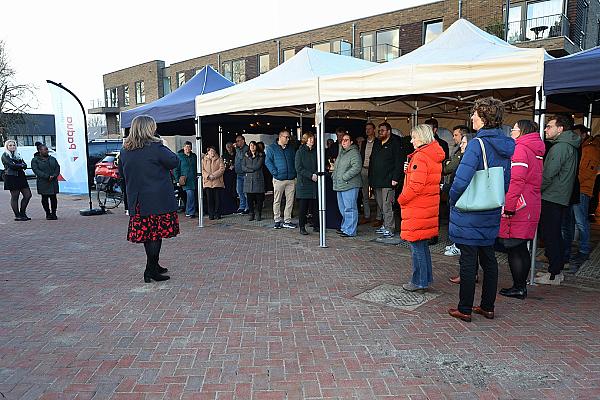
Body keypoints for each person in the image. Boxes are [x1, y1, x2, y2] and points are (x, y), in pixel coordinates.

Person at [448, 97, 515, 322]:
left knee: (468, 261)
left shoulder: (477, 144)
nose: (472, 118)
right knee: (489, 259)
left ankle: (464, 308)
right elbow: (505, 179)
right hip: (491, 206)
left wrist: (452, 199)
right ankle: (487, 307)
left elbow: (461, 180)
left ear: (484, 117)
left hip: (471, 210)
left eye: (475, 114)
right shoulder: (506, 145)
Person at [118, 115, 180, 283]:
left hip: (138, 201)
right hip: (157, 200)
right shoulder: (156, 147)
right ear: (148, 128)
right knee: (155, 236)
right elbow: (174, 161)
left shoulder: (124, 150)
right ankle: (150, 270)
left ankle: (154, 265)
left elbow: (122, 175)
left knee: (148, 236)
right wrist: (164, 144)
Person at [498, 120, 544, 299]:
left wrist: (509, 206)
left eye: (514, 129)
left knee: (514, 247)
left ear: (522, 131)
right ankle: (520, 286)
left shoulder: (520, 149)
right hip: (530, 202)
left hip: (520, 203)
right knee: (521, 247)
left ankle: (518, 287)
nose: (511, 133)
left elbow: (517, 181)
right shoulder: (535, 150)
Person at [398, 124, 445, 291]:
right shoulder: (433, 154)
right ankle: (425, 278)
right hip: (427, 206)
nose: (411, 141)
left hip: (417, 207)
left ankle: (419, 281)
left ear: (422, 138)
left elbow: (416, 186)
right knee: (422, 247)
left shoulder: (421, 157)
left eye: (414, 137)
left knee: (416, 247)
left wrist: (402, 199)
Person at [537, 115, 581, 285]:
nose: (546, 129)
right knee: (554, 234)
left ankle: (554, 273)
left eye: (549, 126)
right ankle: (556, 270)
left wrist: (536, 190)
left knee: (551, 235)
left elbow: (548, 175)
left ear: (560, 128)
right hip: (559, 195)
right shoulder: (567, 145)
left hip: (552, 196)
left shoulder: (560, 147)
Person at [567, 126, 600, 270]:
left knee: (581, 221)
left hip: (582, 189)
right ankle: (580, 248)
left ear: (584, 134)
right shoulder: (584, 147)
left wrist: (571, 182)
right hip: (578, 188)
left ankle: (584, 250)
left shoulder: (590, 150)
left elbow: (585, 172)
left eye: (576, 133)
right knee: (577, 221)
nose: (574, 136)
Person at [368, 122, 403, 238]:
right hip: (377, 180)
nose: (380, 132)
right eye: (379, 131)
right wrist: (371, 179)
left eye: (382, 130)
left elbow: (399, 162)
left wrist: (395, 178)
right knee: (381, 205)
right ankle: (385, 224)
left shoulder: (395, 143)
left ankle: (390, 228)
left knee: (387, 205)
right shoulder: (377, 142)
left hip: (388, 181)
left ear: (389, 131)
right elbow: (372, 160)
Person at [443, 131, 473, 262]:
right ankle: (457, 244)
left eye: (464, 142)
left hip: (462, 198)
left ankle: (459, 245)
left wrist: (449, 190)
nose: (461, 145)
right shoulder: (461, 154)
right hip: (456, 195)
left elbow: (459, 180)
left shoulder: (468, 159)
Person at [265, 129, 297, 229]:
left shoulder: (291, 148)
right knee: (277, 200)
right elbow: (268, 162)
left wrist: (294, 173)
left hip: (291, 178)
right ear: (280, 137)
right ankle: (277, 220)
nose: (288, 139)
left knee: (290, 201)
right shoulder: (271, 148)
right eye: (286, 137)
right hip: (279, 179)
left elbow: (295, 161)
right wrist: (275, 173)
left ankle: (287, 221)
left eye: (288, 137)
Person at [332, 133, 362, 237]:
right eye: (343, 140)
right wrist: (334, 175)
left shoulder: (354, 152)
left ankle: (350, 230)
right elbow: (337, 167)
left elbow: (357, 167)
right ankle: (345, 227)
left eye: (346, 140)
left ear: (351, 142)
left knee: (350, 208)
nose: (343, 142)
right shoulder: (342, 152)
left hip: (350, 184)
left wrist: (344, 177)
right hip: (340, 184)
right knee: (343, 208)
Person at [2, 140, 32, 221]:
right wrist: (20, 165)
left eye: (14, 145)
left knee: (28, 195)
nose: (12, 147)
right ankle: (17, 215)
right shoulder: (5, 155)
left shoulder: (17, 155)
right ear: (7, 147)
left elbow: (25, 165)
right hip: (11, 177)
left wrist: (19, 165)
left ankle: (22, 213)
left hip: (21, 177)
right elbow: (12, 166)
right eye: (10, 145)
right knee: (15, 197)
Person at [295, 132, 319, 235]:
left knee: (314, 206)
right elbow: (298, 168)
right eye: (309, 139)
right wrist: (310, 175)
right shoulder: (300, 152)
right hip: (304, 184)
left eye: (312, 138)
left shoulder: (315, 151)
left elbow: (319, 164)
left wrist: (317, 173)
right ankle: (302, 227)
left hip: (314, 183)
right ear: (305, 140)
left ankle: (316, 225)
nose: (312, 140)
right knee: (303, 208)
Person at [31, 144, 61, 220]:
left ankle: (54, 213)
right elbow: (36, 170)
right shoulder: (35, 160)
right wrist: (46, 176)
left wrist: (54, 175)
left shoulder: (52, 159)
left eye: (47, 149)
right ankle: (48, 213)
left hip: (53, 181)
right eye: (45, 149)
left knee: (53, 198)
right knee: (44, 198)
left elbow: (57, 167)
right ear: (40, 150)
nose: (47, 151)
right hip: (43, 182)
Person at [242, 141, 265, 221]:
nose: (252, 147)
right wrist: (251, 169)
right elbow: (243, 167)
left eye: (254, 145)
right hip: (248, 180)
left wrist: (248, 168)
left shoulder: (260, 155)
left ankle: (258, 213)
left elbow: (257, 166)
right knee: (249, 198)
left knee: (259, 199)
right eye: (251, 145)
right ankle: (251, 213)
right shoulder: (245, 156)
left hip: (258, 179)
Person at [359, 122, 377, 225]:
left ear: (374, 130)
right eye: (366, 129)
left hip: (374, 170)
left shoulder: (378, 142)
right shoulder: (364, 142)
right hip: (364, 169)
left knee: (377, 194)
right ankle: (367, 216)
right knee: (364, 194)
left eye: (369, 129)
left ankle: (379, 217)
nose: (367, 130)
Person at [174, 141, 198, 218]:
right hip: (185, 180)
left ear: (191, 148)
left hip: (194, 179)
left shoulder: (194, 156)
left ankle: (188, 210)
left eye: (189, 147)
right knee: (190, 194)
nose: (188, 148)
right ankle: (191, 212)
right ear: (184, 148)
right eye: (186, 147)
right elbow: (176, 169)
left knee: (192, 195)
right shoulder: (179, 156)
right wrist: (177, 180)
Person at [202, 146, 225, 220]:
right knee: (209, 200)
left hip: (217, 182)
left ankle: (217, 214)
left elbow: (222, 169)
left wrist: (214, 176)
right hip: (208, 182)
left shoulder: (219, 159)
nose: (212, 152)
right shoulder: (203, 160)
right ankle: (211, 214)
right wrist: (208, 176)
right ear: (207, 152)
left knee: (218, 199)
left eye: (213, 151)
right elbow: (202, 170)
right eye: (211, 151)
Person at [234, 135, 250, 214]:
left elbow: (241, 157)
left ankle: (247, 207)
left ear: (243, 140)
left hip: (245, 173)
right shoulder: (238, 149)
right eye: (236, 141)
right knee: (239, 191)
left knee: (245, 191)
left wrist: (236, 148)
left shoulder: (246, 148)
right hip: (238, 173)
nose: (237, 143)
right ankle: (242, 206)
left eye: (238, 141)